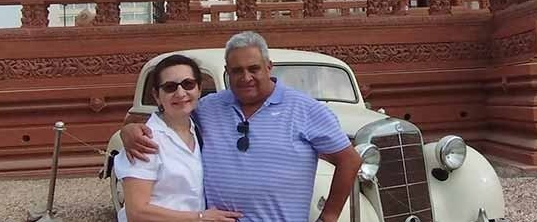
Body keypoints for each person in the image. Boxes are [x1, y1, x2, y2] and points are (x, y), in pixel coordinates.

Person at [122, 31, 362, 222]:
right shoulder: (209, 107)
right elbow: (172, 116)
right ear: (227, 73)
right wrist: (130, 131)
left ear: (269, 67)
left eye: (254, 68)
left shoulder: (306, 109)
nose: (245, 77)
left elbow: (349, 160)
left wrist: (328, 217)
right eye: (237, 70)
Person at [114, 54, 243, 222]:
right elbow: (137, 212)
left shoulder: (200, 130)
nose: (180, 93)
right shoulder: (146, 140)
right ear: (156, 95)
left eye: (188, 84)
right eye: (170, 87)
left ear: (199, 89)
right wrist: (200, 217)